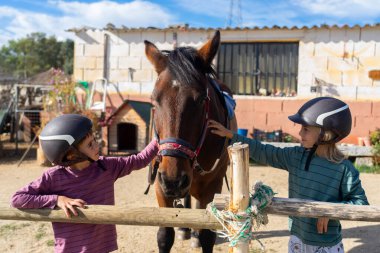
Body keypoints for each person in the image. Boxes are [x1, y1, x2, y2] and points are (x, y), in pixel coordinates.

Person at [208, 96, 369, 253]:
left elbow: (361, 205)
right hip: (296, 240)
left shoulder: (344, 169)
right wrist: (231, 135)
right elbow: (265, 151)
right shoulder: (296, 157)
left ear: (326, 134)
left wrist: (331, 211)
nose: (300, 133)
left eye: (305, 129)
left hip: (327, 245)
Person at [11, 114, 158, 253]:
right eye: (89, 144)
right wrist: (56, 199)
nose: (96, 146)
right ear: (71, 154)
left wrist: (161, 138)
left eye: (94, 140)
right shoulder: (54, 177)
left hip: (102, 248)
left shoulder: (105, 166)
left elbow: (139, 159)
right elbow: (17, 198)